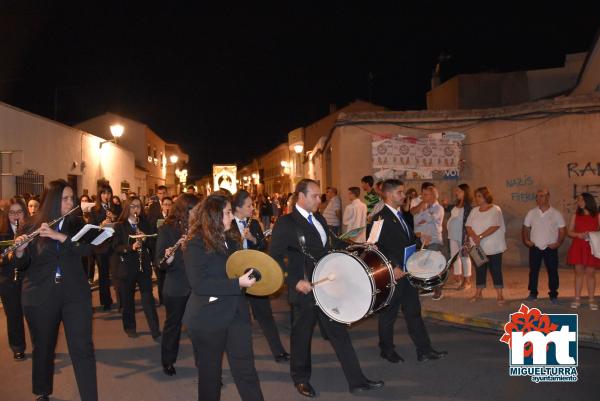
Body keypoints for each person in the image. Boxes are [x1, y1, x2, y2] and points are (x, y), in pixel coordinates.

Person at [270, 179, 383, 397]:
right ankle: (301, 379)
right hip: (305, 290)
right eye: (314, 196)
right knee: (301, 337)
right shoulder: (286, 223)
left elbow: (333, 243)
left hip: (327, 288)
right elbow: (274, 258)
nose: (319, 200)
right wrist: (293, 281)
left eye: (320, 195)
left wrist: (361, 246)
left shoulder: (319, 218)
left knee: (339, 334)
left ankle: (357, 380)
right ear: (301, 197)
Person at [14, 179, 98, 401]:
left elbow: (89, 249)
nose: (71, 202)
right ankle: (42, 392)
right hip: (41, 294)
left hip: (75, 294)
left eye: (72, 198)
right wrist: (20, 251)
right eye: (65, 199)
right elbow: (21, 266)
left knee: (83, 348)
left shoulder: (78, 224)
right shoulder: (31, 225)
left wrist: (62, 237)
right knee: (43, 348)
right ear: (52, 201)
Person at [183, 194, 264, 401]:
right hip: (208, 318)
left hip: (236, 314)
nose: (231, 216)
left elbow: (236, 270)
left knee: (246, 371)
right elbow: (199, 284)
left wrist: (254, 274)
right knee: (210, 377)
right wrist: (238, 283)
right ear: (214, 215)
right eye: (227, 212)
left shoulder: (231, 238)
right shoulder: (195, 243)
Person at [372, 179, 447, 364]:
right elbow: (374, 246)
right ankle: (387, 350)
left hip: (408, 273)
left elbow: (406, 240)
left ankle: (424, 350)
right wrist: (393, 265)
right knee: (388, 314)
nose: (403, 195)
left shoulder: (402, 215)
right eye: (400, 192)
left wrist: (419, 240)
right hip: (393, 274)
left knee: (413, 312)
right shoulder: (379, 218)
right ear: (389, 195)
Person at [232, 190, 289, 363]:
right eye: (248, 206)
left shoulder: (254, 224)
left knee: (265, 314)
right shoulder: (227, 224)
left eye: (252, 205)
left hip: (254, 273)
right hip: (235, 275)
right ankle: (242, 356)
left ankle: (278, 351)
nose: (252, 209)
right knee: (240, 318)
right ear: (238, 208)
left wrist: (253, 238)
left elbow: (264, 245)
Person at [156, 193, 199, 376]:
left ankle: (205, 365)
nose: (199, 213)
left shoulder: (200, 229)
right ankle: (168, 361)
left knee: (199, 327)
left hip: (197, 285)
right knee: (173, 326)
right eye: (196, 210)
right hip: (176, 286)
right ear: (185, 210)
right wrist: (169, 257)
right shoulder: (167, 229)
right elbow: (159, 262)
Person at [112, 197, 160, 339]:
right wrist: (130, 247)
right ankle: (130, 327)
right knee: (128, 299)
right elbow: (116, 247)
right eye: (133, 206)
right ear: (127, 208)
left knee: (148, 298)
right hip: (127, 266)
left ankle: (155, 329)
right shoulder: (120, 226)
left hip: (143, 265)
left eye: (138, 206)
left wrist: (146, 239)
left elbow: (152, 243)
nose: (136, 209)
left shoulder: (144, 223)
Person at [522, 188, 566, 303]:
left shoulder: (556, 213)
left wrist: (558, 243)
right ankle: (532, 293)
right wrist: (526, 240)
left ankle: (553, 294)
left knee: (552, 271)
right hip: (535, 247)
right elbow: (526, 227)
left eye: (542, 196)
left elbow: (562, 230)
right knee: (533, 271)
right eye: (537, 196)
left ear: (548, 197)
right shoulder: (531, 212)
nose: (539, 198)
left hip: (550, 247)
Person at [466, 187, 507, 305]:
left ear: (486, 196)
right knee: (480, 269)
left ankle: (500, 295)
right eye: (476, 196)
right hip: (476, 246)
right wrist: (474, 237)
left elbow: (495, 226)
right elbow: (468, 226)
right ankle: (478, 293)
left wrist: (480, 236)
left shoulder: (495, 209)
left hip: (493, 247)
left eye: (479, 196)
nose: (477, 199)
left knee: (495, 270)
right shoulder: (474, 210)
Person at [0, 197, 28, 361]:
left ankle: (42, 345)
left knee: (34, 313)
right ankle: (18, 346)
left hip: (28, 277)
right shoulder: (2, 232)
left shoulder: (31, 230)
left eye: (19, 212)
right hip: (8, 278)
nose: (16, 216)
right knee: (14, 314)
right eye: (12, 213)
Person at [566, 192, 600, 310]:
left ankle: (591, 299)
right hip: (578, 245)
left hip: (591, 246)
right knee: (578, 273)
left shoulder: (597, 215)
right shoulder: (576, 215)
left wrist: (592, 235)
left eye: (581, 200)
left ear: (588, 201)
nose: (579, 202)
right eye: (578, 200)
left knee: (591, 273)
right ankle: (577, 298)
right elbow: (569, 231)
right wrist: (578, 235)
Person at [411, 184, 445, 300]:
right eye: (423, 194)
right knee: (426, 265)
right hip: (424, 239)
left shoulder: (438, 208)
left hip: (434, 239)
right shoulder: (425, 206)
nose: (423, 197)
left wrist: (423, 217)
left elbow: (430, 220)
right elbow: (416, 219)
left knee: (434, 265)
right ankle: (429, 288)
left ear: (433, 195)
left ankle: (438, 290)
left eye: (426, 195)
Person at [88, 184, 115, 310]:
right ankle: (106, 301)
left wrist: (114, 219)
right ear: (100, 195)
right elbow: (91, 228)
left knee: (116, 273)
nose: (106, 196)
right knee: (103, 275)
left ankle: (121, 300)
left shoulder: (115, 207)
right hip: (101, 246)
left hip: (114, 244)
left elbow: (121, 222)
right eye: (104, 193)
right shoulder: (94, 210)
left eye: (108, 193)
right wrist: (101, 224)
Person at [447, 184, 473, 290]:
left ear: (464, 192)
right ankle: (458, 279)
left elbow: (469, 222)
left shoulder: (468, 206)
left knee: (464, 257)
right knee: (454, 257)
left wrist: (467, 237)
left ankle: (467, 281)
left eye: (458, 191)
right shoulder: (457, 204)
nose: (456, 192)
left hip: (463, 235)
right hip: (452, 235)